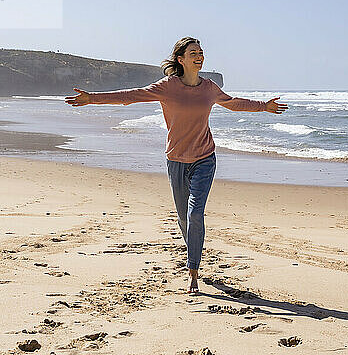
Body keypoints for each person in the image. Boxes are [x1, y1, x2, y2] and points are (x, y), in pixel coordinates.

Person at [65, 37, 288, 293]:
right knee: (184, 219)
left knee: (195, 213)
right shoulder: (167, 87)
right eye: (193, 52)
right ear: (180, 59)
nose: (199, 56)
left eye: (201, 52)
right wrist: (92, 98)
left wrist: (264, 107)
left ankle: (193, 271)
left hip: (205, 159)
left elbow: (232, 102)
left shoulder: (209, 88)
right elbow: (131, 96)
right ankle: (193, 253)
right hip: (176, 161)